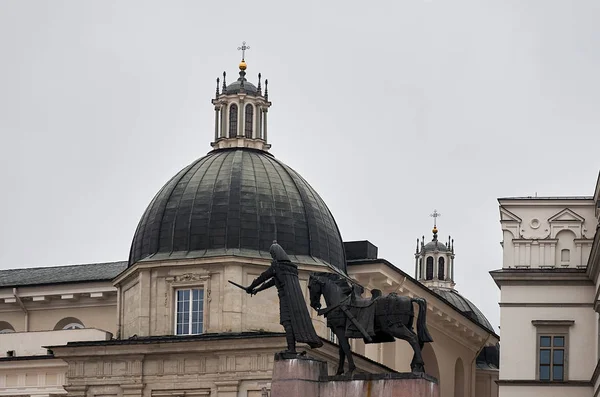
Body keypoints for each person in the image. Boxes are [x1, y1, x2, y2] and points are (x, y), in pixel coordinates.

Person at [245, 242, 323, 354]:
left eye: (272, 255)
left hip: (286, 300)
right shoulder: (290, 269)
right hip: (294, 300)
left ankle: (291, 349)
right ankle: (292, 348)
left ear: (276, 254)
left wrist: (251, 287)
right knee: (289, 323)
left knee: (287, 322)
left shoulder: (277, 266)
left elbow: (264, 277)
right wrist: (257, 290)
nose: (272, 257)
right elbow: (273, 281)